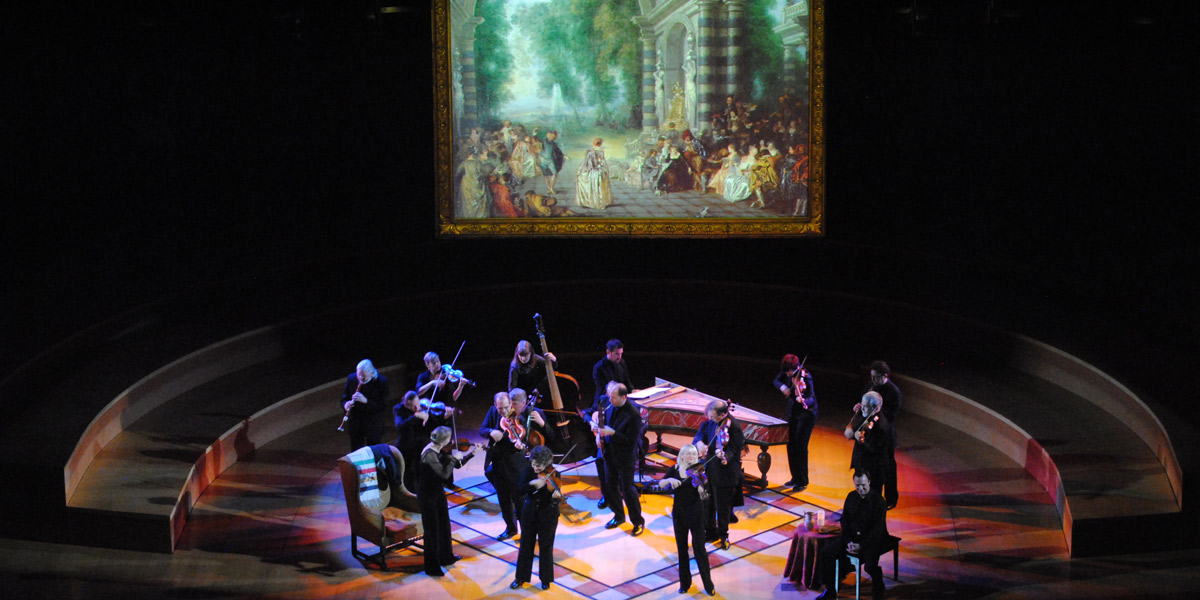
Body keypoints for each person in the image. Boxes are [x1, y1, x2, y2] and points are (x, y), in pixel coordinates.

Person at [815, 470, 889, 600]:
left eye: (863, 485)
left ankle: (879, 589)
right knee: (826, 552)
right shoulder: (851, 497)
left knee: (870, 565)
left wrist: (861, 546)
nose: (860, 489)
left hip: (870, 540)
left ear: (869, 482)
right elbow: (845, 520)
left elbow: (877, 531)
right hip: (852, 538)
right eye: (857, 485)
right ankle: (830, 590)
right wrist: (849, 541)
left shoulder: (879, 502)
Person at [417, 426, 479, 577]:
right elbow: (445, 475)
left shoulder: (440, 449)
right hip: (427, 495)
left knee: (444, 525)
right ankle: (432, 567)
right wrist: (453, 460)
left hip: (437, 491)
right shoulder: (429, 454)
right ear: (444, 440)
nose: (451, 441)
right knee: (432, 530)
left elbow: (456, 465)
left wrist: (471, 454)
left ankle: (446, 557)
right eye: (449, 439)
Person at [658, 444, 716, 596]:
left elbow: (706, 495)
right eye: (688, 454)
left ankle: (708, 584)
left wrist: (701, 489)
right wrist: (670, 480)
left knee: (699, 550)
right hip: (679, 515)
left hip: (696, 515)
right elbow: (660, 483)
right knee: (682, 550)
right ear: (682, 455)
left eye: (694, 454)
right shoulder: (675, 469)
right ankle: (685, 583)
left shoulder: (699, 471)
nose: (691, 457)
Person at [593, 381, 645, 536]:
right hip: (610, 453)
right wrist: (599, 434)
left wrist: (612, 433)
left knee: (628, 490)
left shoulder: (634, 415)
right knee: (610, 486)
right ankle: (619, 516)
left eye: (613, 397)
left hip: (625, 457)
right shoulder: (610, 405)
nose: (610, 400)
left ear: (623, 397)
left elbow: (631, 441)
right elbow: (605, 422)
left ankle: (637, 521)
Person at [692, 399, 744, 549]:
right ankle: (710, 532)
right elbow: (699, 436)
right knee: (707, 504)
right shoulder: (711, 422)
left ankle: (723, 536)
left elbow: (734, 449)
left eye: (714, 417)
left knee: (722, 508)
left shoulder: (734, 427)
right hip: (710, 470)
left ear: (722, 415)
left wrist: (724, 457)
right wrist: (700, 444)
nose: (711, 420)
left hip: (725, 474)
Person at [510, 445, 562, 591]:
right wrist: (532, 484)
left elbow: (555, 496)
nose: (535, 468)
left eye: (539, 466)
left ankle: (546, 579)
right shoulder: (529, 471)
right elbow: (518, 491)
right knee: (526, 545)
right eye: (533, 464)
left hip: (548, 515)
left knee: (546, 547)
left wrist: (555, 497)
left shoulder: (555, 474)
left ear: (546, 464)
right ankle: (520, 577)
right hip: (530, 513)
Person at [590, 339, 634, 509]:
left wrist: (633, 392)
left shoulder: (621, 362)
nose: (619, 357)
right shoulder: (599, 367)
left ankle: (624, 488)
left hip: (621, 401)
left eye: (621, 354)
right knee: (602, 457)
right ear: (608, 352)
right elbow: (602, 390)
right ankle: (606, 493)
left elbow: (627, 381)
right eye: (617, 354)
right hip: (604, 403)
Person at [480, 391, 524, 540]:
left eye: (506, 407)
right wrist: (491, 432)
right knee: (504, 499)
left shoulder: (518, 418)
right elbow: (482, 430)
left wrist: (519, 445)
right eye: (500, 409)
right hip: (498, 464)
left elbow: (524, 440)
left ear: (510, 404)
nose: (504, 412)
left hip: (514, 466)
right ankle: (511, 529)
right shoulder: (492, 413)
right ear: (495, 406)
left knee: (519, 500)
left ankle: (527, 531)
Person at [775, 354, 817, 491]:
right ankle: (795, 477)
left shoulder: (806, 377)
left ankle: (802, 480)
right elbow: (776, 381)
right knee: (790, 444)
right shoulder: (787, 372)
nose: (787, 374)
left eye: (789, 372)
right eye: (786, 372)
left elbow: (812, 397)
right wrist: (783, 388)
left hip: (807, 415)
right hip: (793, 413)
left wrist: (804, 401)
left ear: (796, 367)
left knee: (800, 447)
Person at [393, 390, 448, 491]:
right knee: (408, 472)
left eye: (417, 405)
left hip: (422, 444)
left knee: (423, 470)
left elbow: (433, 425)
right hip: (407, 446)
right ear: (406, 403)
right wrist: (415, 416)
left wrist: (443, 417)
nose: (416, 408)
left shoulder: (424, 408)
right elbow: (400, 426)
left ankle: (424, 490)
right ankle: (411, 494)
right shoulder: (398, 409)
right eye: (413, 407)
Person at [865, 361, 902, 509]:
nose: (873, 380)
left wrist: (875, 411)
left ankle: (891, 498)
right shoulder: (871, 385)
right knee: (873, 466)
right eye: (871, 377)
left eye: (876, 377)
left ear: (884, 376)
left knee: (887, 467)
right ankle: (873, 497)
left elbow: (891, 415)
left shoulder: (893, 392)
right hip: (872, 434)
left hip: (885, 435)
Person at [845, 392, 894, 497]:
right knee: (862, 494)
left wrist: (861, 441)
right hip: (863, 465)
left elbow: (875, 449)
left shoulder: (882, 426)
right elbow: (859, 429)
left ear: (876, 408)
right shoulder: (869, 414)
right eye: (861, 404)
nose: (862, 408)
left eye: (865, 406)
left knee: (872, 497)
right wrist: (858, 413)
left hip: (874, 469)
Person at [339, 359, 390, 451]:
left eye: (363, 376)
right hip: (356, 423)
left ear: (371, 372)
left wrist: (366, 401)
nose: (360, 378)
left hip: (373, 424)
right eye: (359, 375)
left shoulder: (381, 382)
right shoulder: (352, 379)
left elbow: (383, 406)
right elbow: (344, 398)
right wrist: (346, 404)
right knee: (356, 450)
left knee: (374, 451)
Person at [575, 137, 613, 209]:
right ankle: (599, 202)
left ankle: (590, 202)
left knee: (581, 177)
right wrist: (605, 170)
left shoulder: (590, 152)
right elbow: (603, 162)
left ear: (594, 143)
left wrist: (580, 170)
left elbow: (587, 164)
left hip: (593, 171)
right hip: (600, 171)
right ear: (600, 144)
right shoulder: (601, 151)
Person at [538, 130, 566, 195]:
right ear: (548, 135)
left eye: (554, 136)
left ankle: (551, 188)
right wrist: (535, 135)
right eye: (551, 136)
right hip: (543, 160)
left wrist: (563, 155)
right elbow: (536, 141)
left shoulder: (554, 144)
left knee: (555, 173)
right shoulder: (543, 141)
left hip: (550, 160)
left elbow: (558, 151)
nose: (552, 137)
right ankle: (549, 188)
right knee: (545, 175)